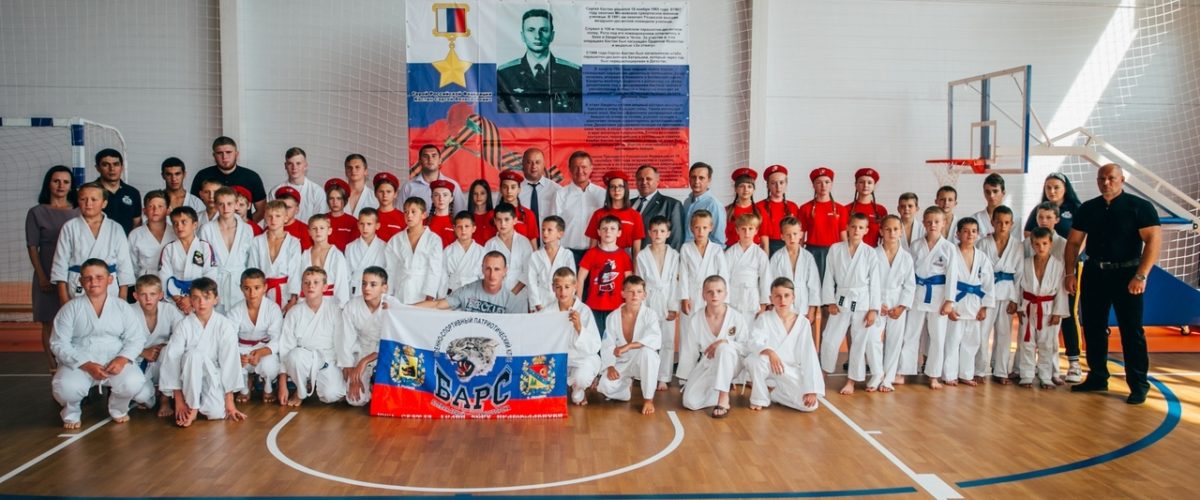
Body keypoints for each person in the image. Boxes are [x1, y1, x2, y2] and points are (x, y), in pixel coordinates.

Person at [1066, 164, 1161, 405]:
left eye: (1111, 178)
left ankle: (1138, 385)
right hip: (1094, 272)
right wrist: (1069, 273)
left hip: (1127, 275)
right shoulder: (1089, 208)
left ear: (1122, 179)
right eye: (1102, 178)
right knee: (1093, 327)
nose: (1106, 182)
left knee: (1132, 331)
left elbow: (1153, 241)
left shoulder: (1140, 207)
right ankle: (1098, 376)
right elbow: (1074, 242)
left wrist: (1141, 275)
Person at [50, 259, 147, 429]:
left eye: (99, 277)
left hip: (114, 360)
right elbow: (58, 343)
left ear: (110, 279)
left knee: (134, 382)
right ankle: (71, 412)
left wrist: (122, 359)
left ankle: (118, 408)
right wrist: (86, 364)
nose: (93, 281)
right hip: (80, 361)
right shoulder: (70, 308)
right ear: (80, 281)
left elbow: (136, 339)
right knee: (65, 387)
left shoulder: (122, 307)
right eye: (87, 278)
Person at [157, 277, 245, 427]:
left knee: (216, 413)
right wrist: (179, 401)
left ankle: (203, 402)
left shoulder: (224, 325)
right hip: (187, 376)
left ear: (216, 300)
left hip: (212, 374)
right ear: (191, 300)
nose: (201, 303)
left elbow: (230, 362)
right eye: (196, 298)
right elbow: (172, 361)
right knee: (194, 355)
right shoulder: (183, 325)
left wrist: (229, 403)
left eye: (206, 297)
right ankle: (193, 407)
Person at [820, 213, 881, 395]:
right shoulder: (835, 249)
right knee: (830, 338)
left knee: (858, 342)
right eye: (853, 226)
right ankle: (823, 373)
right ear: (847, 227)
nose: (856, 230)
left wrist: (873, 309)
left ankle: (851, 381)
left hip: (862, 301)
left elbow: (875, 283)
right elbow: (828, 276)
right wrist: (829, 301)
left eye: (861, 227)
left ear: (866, 230)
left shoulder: (870, 252)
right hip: (841, 299)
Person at [743, 278, 824, 412]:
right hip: (768, 364)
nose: (782, 300)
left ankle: (777, 394)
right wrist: (770, 352)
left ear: (793, 297)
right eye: (778, 296)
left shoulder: (803, 323)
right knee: (754, 360)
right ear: (771, 298)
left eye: (786, 295)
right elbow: (753, 341)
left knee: (810, 406)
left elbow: (809, 355)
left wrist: (812, 390)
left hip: (789, 370)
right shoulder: (764, 318)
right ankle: (759, 398)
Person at [900, 206, 959, 390]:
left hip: (939, 296)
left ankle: (934, 375)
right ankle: (904, 371)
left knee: (938, 337)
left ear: (944, 223)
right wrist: (906, 295)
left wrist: (949, 300)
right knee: (911, 333)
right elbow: (909, 272)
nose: (933, 225)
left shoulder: (949, 248)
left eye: (936, 222)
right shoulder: (916, 245)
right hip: (918, 293)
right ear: (924, 223)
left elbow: (952, 275)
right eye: (929, 221)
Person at [27, 166, 79, 371]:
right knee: (49, 322)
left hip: (72, 274)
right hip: (47, 272)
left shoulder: (78, 211)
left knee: (73, 323)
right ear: (48, 183)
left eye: (66, 182)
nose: (61, 186)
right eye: (56, 181)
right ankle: (53, 370)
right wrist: (42, 276)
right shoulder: (37, 212)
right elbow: (33, 247)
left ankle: (73, 369)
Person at [50, 182, 135, 303]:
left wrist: (122, 298)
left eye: (94, 199)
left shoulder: (115, 228)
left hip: (109, 286)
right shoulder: (70, 227)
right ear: (78, 201)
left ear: (104, 203)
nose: (88, 203)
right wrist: (63, 299)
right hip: (79, 283)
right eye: (83, 199)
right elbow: (60, 264)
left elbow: (124, 264)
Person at [678, 276, 750, 417]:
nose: (714, 295)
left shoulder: (736, 317)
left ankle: (723, 398)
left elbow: (746, 347)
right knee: (690, 403)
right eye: (709, 292)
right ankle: (717, 389)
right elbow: (690, 351)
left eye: (719, 291)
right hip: (708, 363)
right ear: (703, 295)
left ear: (726, 294)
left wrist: (725, 342)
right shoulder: (696, 319)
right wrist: (686, 379)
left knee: (724, 348)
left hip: (733, 363)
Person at [277, 267, 348, 406]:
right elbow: (285, 348)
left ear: (325, 287)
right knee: (294, 356)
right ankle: (300, 391)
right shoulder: (294, 312)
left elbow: (341, 343)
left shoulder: (334, 310)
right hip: (303, 358)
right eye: (306, 282)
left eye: (316, 282)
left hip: (328, 359)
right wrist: (282, 383)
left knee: (332, 394)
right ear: (302, 286)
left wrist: (344, 369)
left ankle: (317, 383)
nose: (311, 286)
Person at [497, 8, 583, 114]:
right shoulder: (504, 73)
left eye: (544, 30)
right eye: (531, 30)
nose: (537, 36)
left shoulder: (573, 73)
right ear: (522, 36)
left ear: (552, 35)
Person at [337, 266, 401, 407]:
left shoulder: (392, 305)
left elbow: (394, 339)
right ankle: (371, 388)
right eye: (364, 283)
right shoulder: (352, 306)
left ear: (384, 288)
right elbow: (346, 337)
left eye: (373, 284)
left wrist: (364, 362)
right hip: (361, 350)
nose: (366, 288)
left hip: (386, 354)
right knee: (355, 399)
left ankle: (376, 385)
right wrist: (349, 367)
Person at [598, 276, 661, 415]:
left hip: (642, 360)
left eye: (639, 291)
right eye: (630, 291)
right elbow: (607, 344)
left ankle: (648, 399)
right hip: (622, 361)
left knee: (649, 353)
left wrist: (628, 346)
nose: (634, 295)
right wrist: (610, 366)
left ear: (644, 295)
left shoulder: (650, 315)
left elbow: (654, 339)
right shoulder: (613, 317)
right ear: (623, 293)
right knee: (604, 386)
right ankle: (626, 389)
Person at [943, 218, 994, 387]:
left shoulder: (982, 257)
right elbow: (944, 281)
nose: (970, 234)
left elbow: (988, 284)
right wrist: (949, 306)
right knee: (952, 341)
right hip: (956, 303)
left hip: (974, 305)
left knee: (972, 342)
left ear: (978, 234)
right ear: (957, 234)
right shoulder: (951, 253)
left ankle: (966, 374)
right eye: (965, 231)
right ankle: (949, 374)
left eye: (973, 231)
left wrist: (984, 307)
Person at [1017, 227, 1070, 389]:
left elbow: (1061, 291)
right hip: (1028, 306)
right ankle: (1026, 375)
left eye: (1044, 244)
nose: (1041, 247)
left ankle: (1045, 377)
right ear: (1031, 244)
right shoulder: (1025, 263)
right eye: (1037, 244)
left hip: (1048, 308)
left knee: (1047, 344)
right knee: (1026, 342)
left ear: (1051, 244)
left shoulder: (1058, 265)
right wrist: (1019, 307)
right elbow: (1019, 287)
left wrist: (1058, 312)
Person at [543, 268, 602, 405]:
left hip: (581, 359)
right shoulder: (546, 312)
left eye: (567, 287)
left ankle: (578, 387)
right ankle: (565, 384)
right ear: (553, 288)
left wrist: (579, 327)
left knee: (580, 382)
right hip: (558, 360)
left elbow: (595, 346)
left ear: (575, 287)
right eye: (558, 287)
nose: (563, 292)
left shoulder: (584, 311)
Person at [976, 206, 1022, 383]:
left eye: (1006, 223)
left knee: (1004, 334)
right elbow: (977, 271)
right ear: (992, 222)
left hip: (1007, 293)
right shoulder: (982, 244)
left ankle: (1000, 370)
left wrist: (1015, 299)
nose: (1002, 226)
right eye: (999, 222)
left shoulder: (1017, 246)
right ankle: (979, 370)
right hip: (986, 293)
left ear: (1012, 224)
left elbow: (1019, 274)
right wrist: (979, 297)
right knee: (982, 333)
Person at [636, 216, 681, 390]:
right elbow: (640, 282)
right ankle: (648, 374)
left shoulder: (674, 255)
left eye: (662, 231)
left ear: (668, 233)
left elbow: (675, 282)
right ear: (649, 233)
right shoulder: (642, 255)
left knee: (667, 341)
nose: (658, 234)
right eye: (654, 231)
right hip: (649, 299)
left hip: (667, 298)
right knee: (648, 339)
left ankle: (663, 377)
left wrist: (673, 307)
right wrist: (642, 307)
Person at [129, 275, 183, 416]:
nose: (148, 299)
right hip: (137, 360)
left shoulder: (169, 310)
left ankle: (165, 400)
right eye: (143, 295)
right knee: (142, 396)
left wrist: (164, 346)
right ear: (135, 296)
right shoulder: (127, 311)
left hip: (162, 359)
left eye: (152, 294)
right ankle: (151, 394)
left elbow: (183, 334)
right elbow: (117, 341)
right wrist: (142, 352)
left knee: (170, 352)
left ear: (160, 295)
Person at [228, 268, 283, 404]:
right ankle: (245, 385)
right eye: (247, 288)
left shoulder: (273, 309)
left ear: (265, 287)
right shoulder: (235, 310)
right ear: (241, 288)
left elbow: (277, 339)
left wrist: (260, 353)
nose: (252, 293)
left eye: (257, 288)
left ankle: (268, 386)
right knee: (233, 362)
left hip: (263, 348)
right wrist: (237, 356)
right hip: (242, 348)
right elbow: (228, 339)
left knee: (269, 366)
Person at [417, 251, 530, 313]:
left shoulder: (513, 301)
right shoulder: (467, 291)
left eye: (497, 269)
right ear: (482, 269)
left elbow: (516, 332)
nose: (492, 275)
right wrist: (407, 309)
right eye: (488, 269)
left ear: (505, 271)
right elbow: (437, 304)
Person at [198, 187, 254, 314]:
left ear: (236, 204)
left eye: (229, 204)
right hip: (215, 282)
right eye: (221, 204)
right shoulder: (206, 229)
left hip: (240, 283)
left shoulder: (247, 229)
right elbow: (202, 261)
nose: (225, 208)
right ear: (216, 205)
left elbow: (251, 261)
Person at [876, 216, 915, 392]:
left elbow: (910, 285)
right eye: (888, 229)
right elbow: (868, 282)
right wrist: (876, 303)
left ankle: (888, 379)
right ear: (881, 231)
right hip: (877, 302)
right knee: (874, 340)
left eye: (895, 229)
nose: (892, 233)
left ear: (901, 232)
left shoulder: (906, 257)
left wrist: (901, 307)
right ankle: (877, 375)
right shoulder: (872, 254)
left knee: (894, 341)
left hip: (897, 302)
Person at [578, 215, 636, 335]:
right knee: (595, 338)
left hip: (617, 307)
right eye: (604, 228)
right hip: (594, 306)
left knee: (615, 339)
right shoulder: (591, 254)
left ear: (619, 233)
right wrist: (578, 302)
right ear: (599, 232)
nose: (608, 231)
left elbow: (630, 282)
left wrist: (629, 303)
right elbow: (580, 278)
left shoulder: (624, 256)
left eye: (612, 228)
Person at [191, 137, 267, 221]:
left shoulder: (252, 177)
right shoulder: (202, 176)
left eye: (228, 152)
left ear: (236, 154)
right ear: (214, 156)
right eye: (220, 153)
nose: (224, 157)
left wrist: (244, 225)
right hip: (207, 226)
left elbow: (261, 211)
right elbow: (193, 208)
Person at [158, 207, 217, 313]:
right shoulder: (169, 249)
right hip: (175, 301)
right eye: (175, 223)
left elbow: (210, 275)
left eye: (184, 222)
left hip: (200, 300)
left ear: (195, 225)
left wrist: (191, 299)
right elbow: (164, 276)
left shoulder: (204, 247)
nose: (179, 226)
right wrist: (178, 298)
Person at [247, 200, 303, 311]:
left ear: (285, 218)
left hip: (285, 292)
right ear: (264, 217)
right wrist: (255, 295)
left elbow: (295, 271)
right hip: (261, 292)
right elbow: (253, 269)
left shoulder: (293, 242)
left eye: (278, 216)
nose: (273, 220)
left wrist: (293, 298)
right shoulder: (257, 241)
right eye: (270, 216)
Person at [388, 197, 444, 304]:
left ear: (424, 215)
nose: (409, 215)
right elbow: (390, 269)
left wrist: (430, 294)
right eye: (406, 212)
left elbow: (434, 269)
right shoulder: (396, 240)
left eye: (413, 212)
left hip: (423, 290)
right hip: (400, 289)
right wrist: (388, 294)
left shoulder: (433, 239)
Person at [555, 151, 606, 263]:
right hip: (567, 253)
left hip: (596, 251)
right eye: (576, 167)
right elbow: (554, 226)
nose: (580, 171)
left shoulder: (602, 194)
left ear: (591, 168)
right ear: (569, 169)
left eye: (584, 167)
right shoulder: (561, 194)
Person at [799, 167, 848, 282]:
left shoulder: (841, 209)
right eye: (819, 182)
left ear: (831, 184)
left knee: (834, 284)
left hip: (834, 251)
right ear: (813, 185)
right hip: (813, 251)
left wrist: (846, 255)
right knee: (814, 283)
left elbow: (843, 235)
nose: (823, 186)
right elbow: (800, 236)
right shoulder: (805, 208)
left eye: (827, 182)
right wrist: (799, 255)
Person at [767, 217, 821, 320]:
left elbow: (814, 284)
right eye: (788, 235)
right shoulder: (777, 258)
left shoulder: (808, 257)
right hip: (782, 305)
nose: (792, 238)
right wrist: (772, 304)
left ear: (801, 234)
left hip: (803, 305)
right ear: (782, 236)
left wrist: (812, 309)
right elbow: (770, 282)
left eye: (795, 234)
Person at [678, 210, 729, 318]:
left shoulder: (716, 249)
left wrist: (723, 299)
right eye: (697, 227)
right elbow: (683, 274)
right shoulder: (686, 248)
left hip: (712, 295)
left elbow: (723, 274)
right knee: (690, 325)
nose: (701, 231)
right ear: (691, 228)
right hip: (692, 295)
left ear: (711, 228)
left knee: (710, 324)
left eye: (704, 228)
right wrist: (684, 297)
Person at [586, 170, 645, 258]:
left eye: (620, 186)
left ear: (625, 189)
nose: (616, 190)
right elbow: (592, 247)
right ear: (608, 191)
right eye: (612, 187)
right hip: (602, 258)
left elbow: (636, 250)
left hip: (626, 259)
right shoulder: (598, 214)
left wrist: (635, 267)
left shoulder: (635, 216)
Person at [725, 213, 770, 316]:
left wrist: (763, 305)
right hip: (733, 299)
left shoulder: (760, 254)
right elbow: (724, 278)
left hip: (752, 299)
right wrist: (724, 301)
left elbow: (765, 279)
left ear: (756, 231)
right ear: (737, 230)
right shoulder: (730, 253)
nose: (747, 233)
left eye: (750, 229)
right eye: (743, 229)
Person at [400, 145, 466, 215]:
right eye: (425, 156)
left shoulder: (453, 185)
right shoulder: (408, 186)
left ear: (440, 160)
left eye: (434, 156)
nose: (430, 159)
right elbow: (400, 213)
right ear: (420, 161)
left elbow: (461, 214)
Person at [527, 216, 576, 311]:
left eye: (549, 230)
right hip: (541, 300)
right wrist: (536, 303)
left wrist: (568, 301)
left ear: (560, 234)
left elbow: (572, 280)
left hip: (562, 298)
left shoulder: (567, 254)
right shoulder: (535, 256)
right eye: (543, 229)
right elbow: (531, 281)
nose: (545, 233)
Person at [484, 203, 534, 294]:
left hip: (520, 293)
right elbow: (485, 272)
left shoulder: (524, 242)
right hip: (496, 293)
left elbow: (528, 271)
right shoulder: (490, 245)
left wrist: (512, 293)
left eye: (507, 219)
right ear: (494, 221)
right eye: (499, 220)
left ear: (515, 220)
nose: (503, 224)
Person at [633, 165, 686, 250]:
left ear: (657, 182)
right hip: (627, 256)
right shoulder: (628, 204)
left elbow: (676, 240)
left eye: (648, 179)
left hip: (655, 256)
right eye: (640, 179)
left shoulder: (672, 204)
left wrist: (671, 258)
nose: (644, 182)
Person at [303, 214, 351, 305]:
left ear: (329, 231)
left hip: (331, 303)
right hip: (308, 302)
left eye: (322, 228)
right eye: (314, 228)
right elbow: (301, 281)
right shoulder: (305, 255)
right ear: (309, 232)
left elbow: (342, 284)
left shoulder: (336, 255)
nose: (318, 231)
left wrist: (341, 307)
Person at [755, 164, 801, 255]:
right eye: (773, 183)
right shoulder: (759, 206)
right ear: (768, 185)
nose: (778, 187)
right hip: (767, 247)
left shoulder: (793, 206)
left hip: (788, 246)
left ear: (786, 184)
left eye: (781, 182)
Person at [93, 148, 141, 234]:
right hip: (97, 241)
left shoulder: (133, 193)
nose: (112, 169)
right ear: (97, 168)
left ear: (122, 167)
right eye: (105, 165)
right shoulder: (89, 192)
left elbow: (137, 224)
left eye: (116, 164)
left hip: (126, 241)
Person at [128, 190, 174, 279]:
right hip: (145, 280)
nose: (155, 210)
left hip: (171, 279)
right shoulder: (135, 235)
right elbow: (132, 266)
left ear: (168, 210)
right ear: (144, 211)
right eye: (151, 206)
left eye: (160, 206)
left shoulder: (175, 233)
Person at [345, 208, 391, 297]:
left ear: (377, 226)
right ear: (358, 225)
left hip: (377, 291)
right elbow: (346, 276)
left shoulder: (385, 248)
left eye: (369, 224)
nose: (365, 228)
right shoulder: (350, 247)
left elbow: (388, 274)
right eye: (362, 224)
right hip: (356, 291)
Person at [681, 162, 726, 245]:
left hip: (702, 251)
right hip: (685, 249)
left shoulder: (713, 204)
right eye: (693, 177)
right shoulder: (687, 202)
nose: (696, 181)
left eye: (701, 178)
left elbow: (718, 240)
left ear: (709, 180)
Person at [443, 211, 486, 297]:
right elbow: (442, 277)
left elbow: (485, 277)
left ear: (474, 228)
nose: (463, 230)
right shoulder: (448, 251)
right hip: (453, 292)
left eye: (467, 226)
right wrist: (442, 296)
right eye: (459, 227)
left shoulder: (482, 251)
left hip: (475, 293)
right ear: (454, 228)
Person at [969, 173, 1021, 238]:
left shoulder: (1015, 218)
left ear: (1003, 193)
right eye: (987, 192)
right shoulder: (975, 219)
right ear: (984, 193)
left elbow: (1015, 242)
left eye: (995, 191)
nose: (991, 196)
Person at [518, 147, 561, 225]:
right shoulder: (514, 190)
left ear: (543, 164)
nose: (534, 166)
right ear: (523, 164)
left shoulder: (556, 190)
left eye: (537, 162)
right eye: (529, 162)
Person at [847, 168, 888, 247]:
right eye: (861, 182)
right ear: (855, 185)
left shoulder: (881, 210)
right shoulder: (846, 209)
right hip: (852, 251)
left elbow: (885, 236)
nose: (865, 185)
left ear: (874, 186)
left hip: (875, 251)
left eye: (869, 182)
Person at [496, 169, 540, 242]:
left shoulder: (528, 214)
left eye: (513, 187)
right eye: (505, 187)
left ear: (519, 189)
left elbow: (533, 244)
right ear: (500, 189)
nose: (509, 191)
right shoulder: (492, 215)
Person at [160, 157, 208, 223]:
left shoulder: (196, 203)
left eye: (177, 174)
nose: (174, 179)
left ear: (184, 174)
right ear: (163, 176)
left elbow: (203, 226)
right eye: (169, 174)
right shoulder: (156, 202)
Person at [723, 168, 762, 247]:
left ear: (754, 189)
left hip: (753, 250)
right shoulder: (727, 210)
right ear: (736, 189)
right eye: (741, 186)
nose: (746, 189)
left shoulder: (759, 211)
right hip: (731, 250)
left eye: (749, 186)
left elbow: (764, 238)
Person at [323, 178, 360, 252]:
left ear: (345, 200)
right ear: (327, 200)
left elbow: (356, 248)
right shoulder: (321, 220)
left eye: (339, 198)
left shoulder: (353, 222)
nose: (335, 202)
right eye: (331, 198)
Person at [273, 186, 314, 250]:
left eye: (288, 207)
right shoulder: (268, 230)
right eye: (281, 206)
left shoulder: (306, 231)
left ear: (297, 209)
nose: (284, 211)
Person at [373, 172, 406, 242]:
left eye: (388, 192)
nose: (385, 195)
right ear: (375, 194)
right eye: (381, 191)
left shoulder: (403, 218)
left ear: (395, 194)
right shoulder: (369, 217)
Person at [426, 179, 457, 247]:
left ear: (451, 198)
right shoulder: (424, 223)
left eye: (445, 195)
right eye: (436, 195)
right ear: (432, 198)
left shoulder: (457, 223)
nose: (441, 199)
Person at [467, 179, 497, 245]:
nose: (479, 197)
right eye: (475, 193)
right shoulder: (466, 217)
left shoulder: (495, 215)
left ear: (488, 195)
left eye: (482, 193)